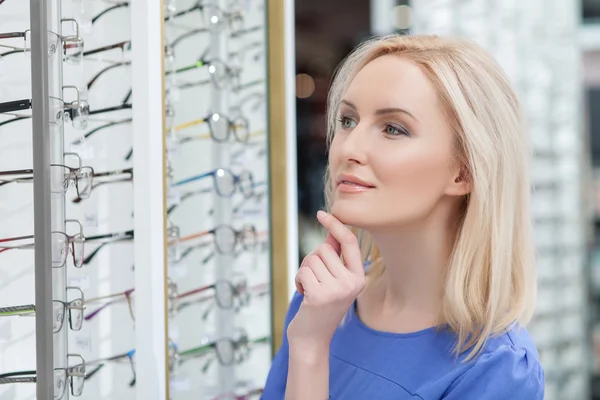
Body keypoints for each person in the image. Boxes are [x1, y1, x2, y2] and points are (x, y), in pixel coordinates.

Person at [261, 34, 544, 399]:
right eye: (348, 120)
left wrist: (312, 350)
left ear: (463, 173)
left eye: (393, 128)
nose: (348, 148)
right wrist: (309, 340)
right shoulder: (322, 301)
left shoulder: (497, 369)